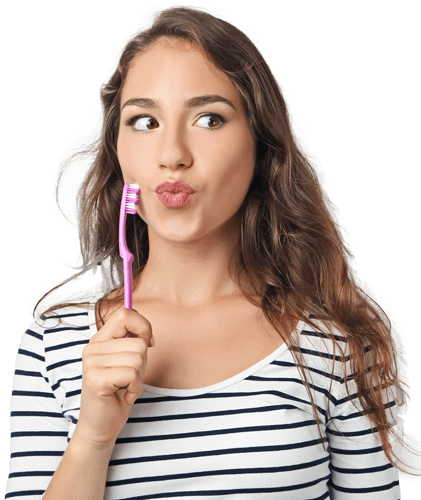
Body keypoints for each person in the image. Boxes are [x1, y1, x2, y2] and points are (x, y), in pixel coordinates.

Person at [6, 5, 419, 499]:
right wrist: (93, 439)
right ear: (118, 149)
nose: (172, 153)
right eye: (143, 120)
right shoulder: (53, 344)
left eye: (208, 118)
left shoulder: (339, 340)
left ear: (261, 146)